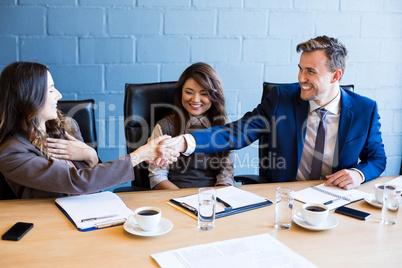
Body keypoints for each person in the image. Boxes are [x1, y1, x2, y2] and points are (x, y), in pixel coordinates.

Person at [158, 36, 386, 190]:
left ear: (335, 76)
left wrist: (359, 174)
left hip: (334, 197)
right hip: (284, 195)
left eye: (310, 72)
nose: (301, 78)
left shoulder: (365, 109)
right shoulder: (280, 98)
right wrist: (185, 142)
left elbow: (376, 159)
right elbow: (237, 132)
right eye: (300, 69)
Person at [0, 61, 178, 198]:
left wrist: (90, 155)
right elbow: (77, 181)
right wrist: (142, 154)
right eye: (51, 90)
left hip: (88, 212)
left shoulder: (65, 127)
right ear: (29, 97)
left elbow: (96, 181)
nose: (59, 96)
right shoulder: (12, 153)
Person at [148, 62, 234, 189]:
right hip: (173, 196)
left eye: (204, 94)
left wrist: (212, 200)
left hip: (212, 198)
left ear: (214, 96)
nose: (195, 99)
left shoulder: (224, 126)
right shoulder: (164, 126)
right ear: (180, 93)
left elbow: (226, 176)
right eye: (189, 92)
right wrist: (184, 200)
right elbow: (157, 177)